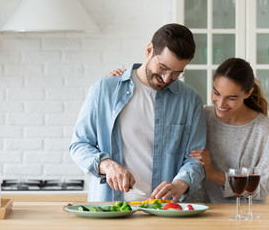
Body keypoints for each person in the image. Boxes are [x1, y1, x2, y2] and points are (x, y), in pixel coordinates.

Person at [69, 23, 207, 203]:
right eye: (163, 67)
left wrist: (182, 183)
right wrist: (107, 165)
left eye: (176, 73)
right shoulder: (105, 90)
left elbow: (195, 158)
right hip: (109, 209)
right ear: (149, 50)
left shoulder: (190, 100)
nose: (167, 79)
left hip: (163, 212)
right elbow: (79, 145)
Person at [188, 57, 269, 203]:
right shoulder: (202, 117)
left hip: (244, 216)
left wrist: (214, 174)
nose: (221, 104)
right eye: (216, 93)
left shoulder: (263, 129)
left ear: (248, 93)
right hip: (204, 213)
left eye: (231, 98)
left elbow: (263, 188)